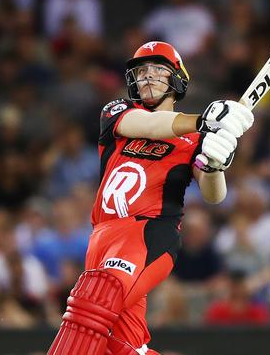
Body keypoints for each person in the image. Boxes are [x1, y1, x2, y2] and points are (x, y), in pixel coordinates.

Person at [46, 41, 253, 355]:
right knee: (120, 345)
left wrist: (215, 164)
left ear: (177, 79)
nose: (148, 76)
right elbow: (153, 126)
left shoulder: (196, 139)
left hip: (148, 233)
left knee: (96, 298)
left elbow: (214, 195)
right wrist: (203, 120)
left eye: (159, 69)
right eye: (142, 71)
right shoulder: (118, 112)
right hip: (102, 237)